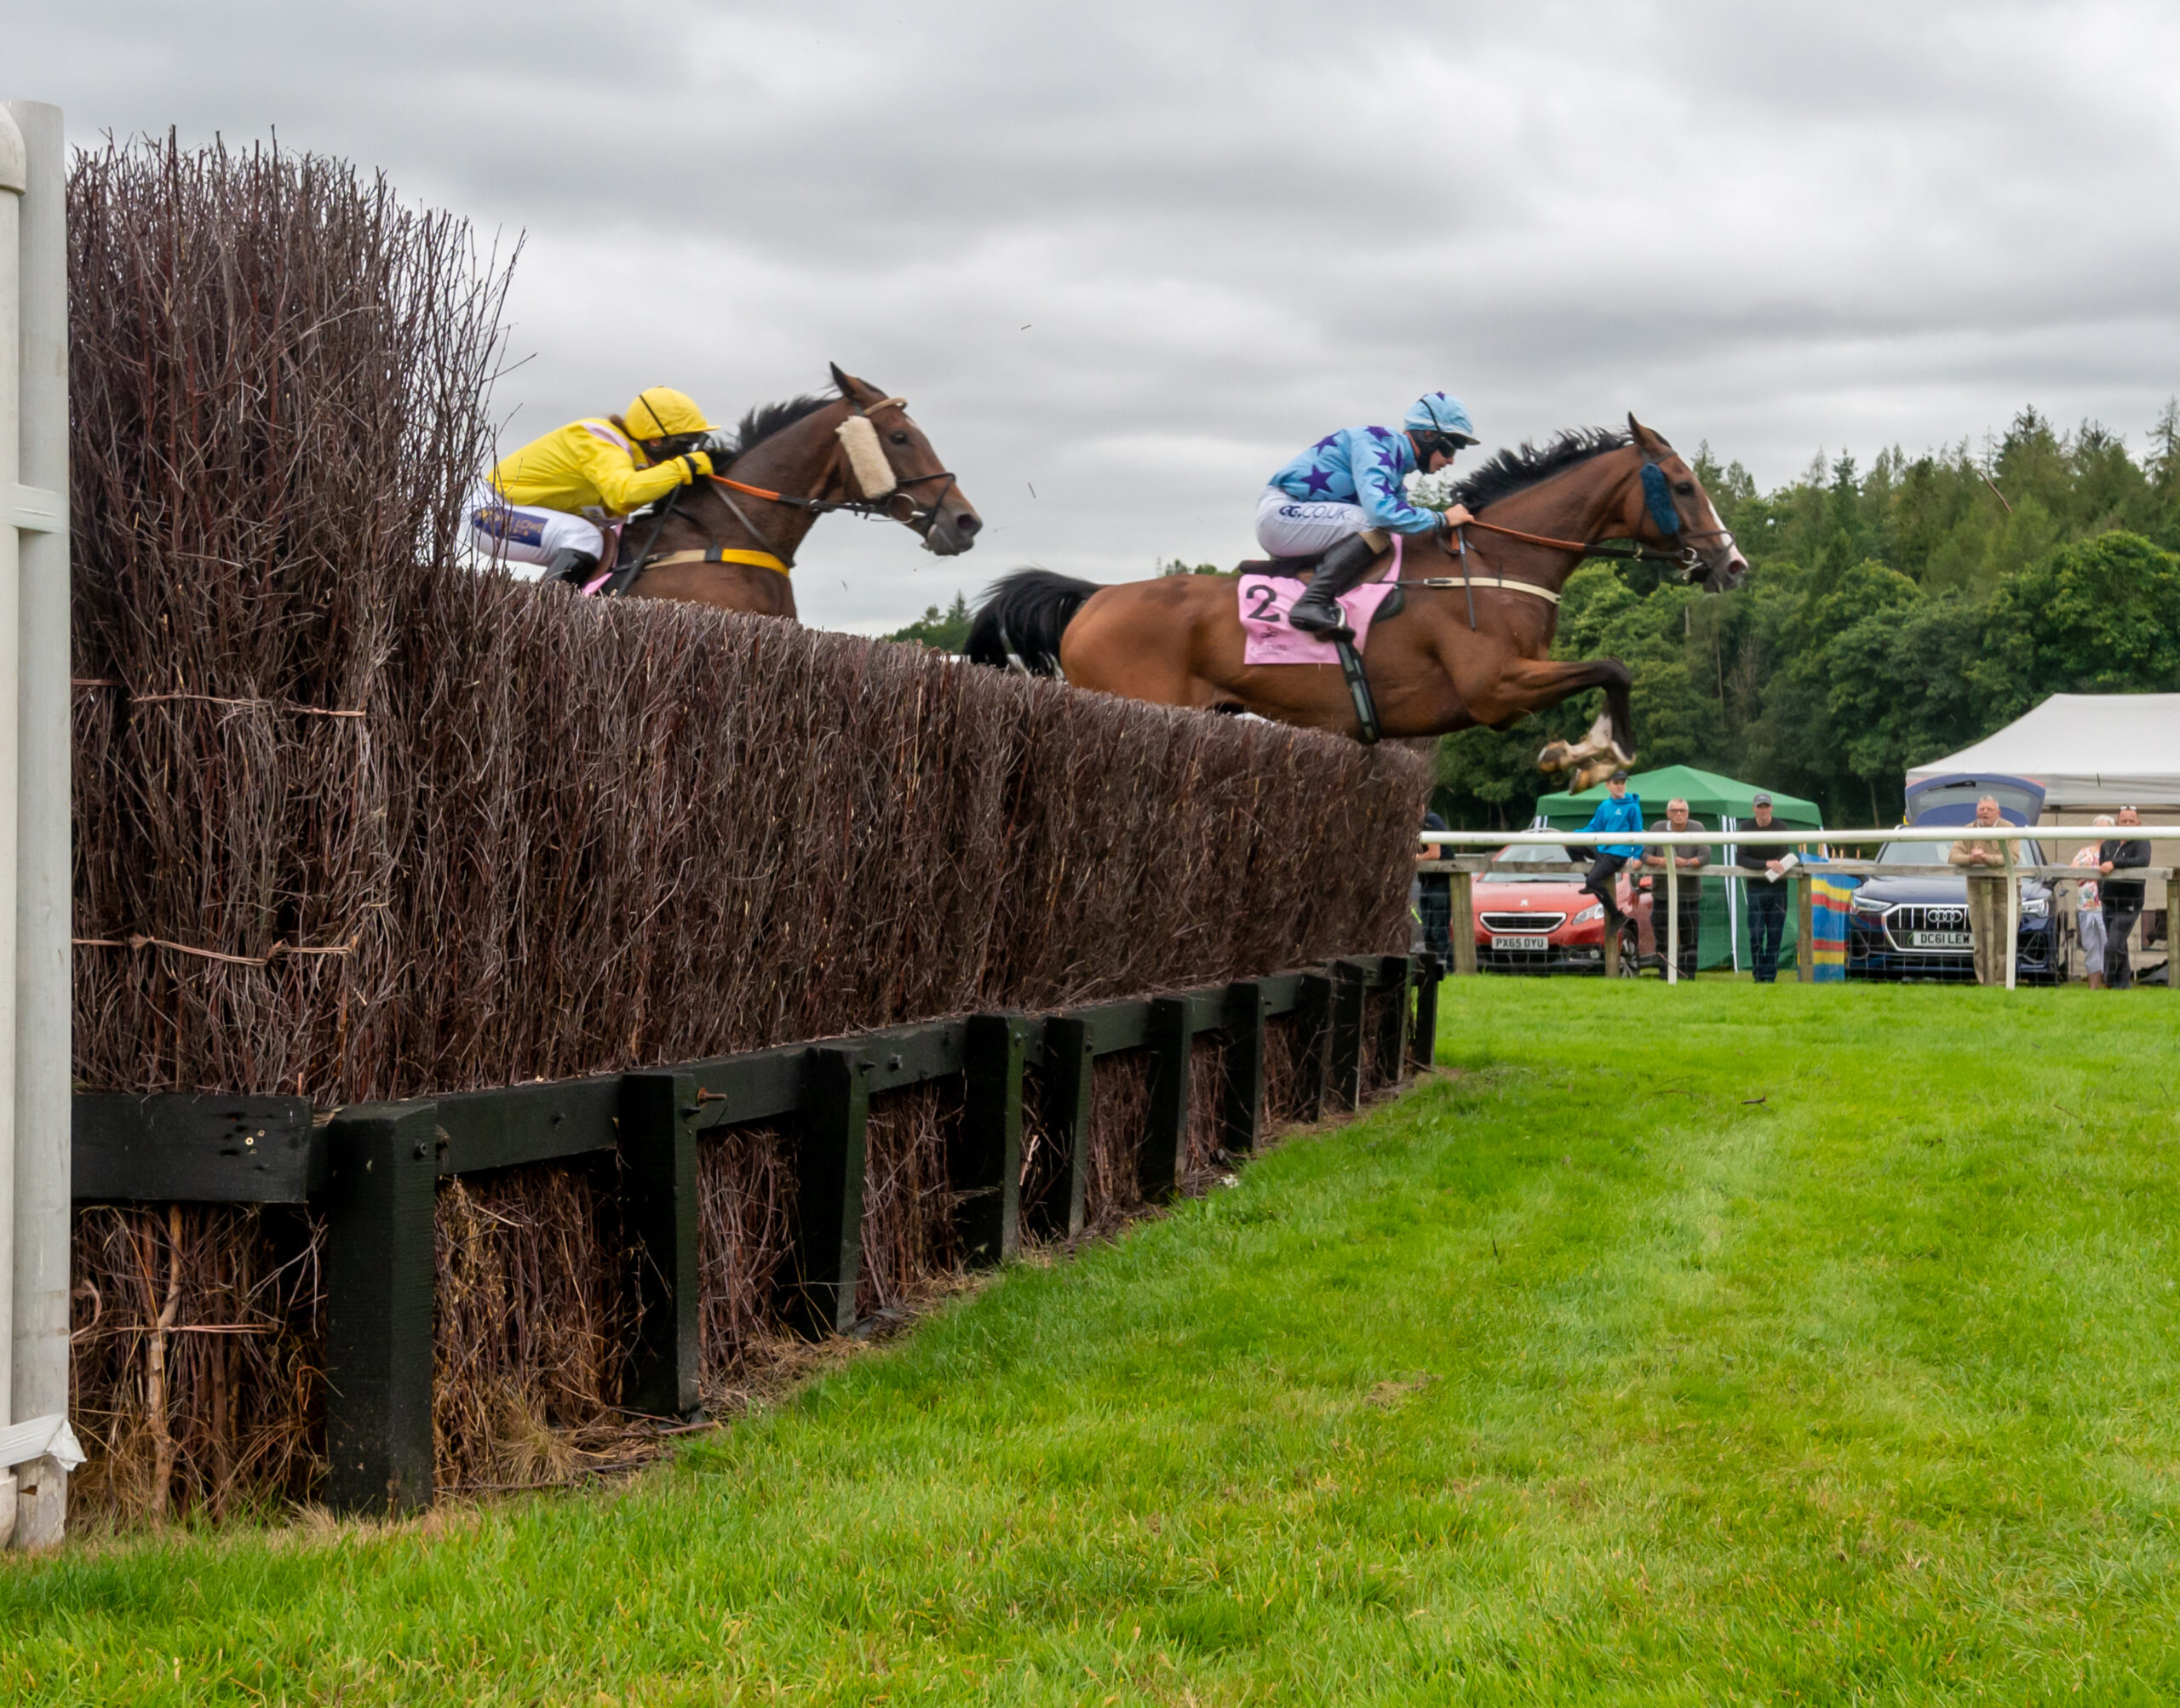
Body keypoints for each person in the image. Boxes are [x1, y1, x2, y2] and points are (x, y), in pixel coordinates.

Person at [1259, 392, 1480, 638]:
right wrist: (1442, 518)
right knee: (1374, 524)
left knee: (1389, 529)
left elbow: (1401, 519)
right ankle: (1312, 602)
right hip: (1281, 515)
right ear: (1428, 435)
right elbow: (1383, 514)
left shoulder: (1394, 465)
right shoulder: (1376, 444)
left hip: (1298, 520)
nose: (1451, 460)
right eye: (1452, 446)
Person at [469, 387, 722, 584]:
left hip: (509, 514)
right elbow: (623, 494)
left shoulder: (632, 461)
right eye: (685, 446)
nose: (687, 453)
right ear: (656, 441)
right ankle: (543, 620)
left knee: (612, 545)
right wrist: (682, 468)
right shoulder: (601, 442)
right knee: (584, 537)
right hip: (487, 515)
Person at [1948, 795, 2019, 986]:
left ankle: (2003, 983)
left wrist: (1986, 858)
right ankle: (1984, 983)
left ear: (1998, 813)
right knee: (1980, 943)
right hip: (1977, 895)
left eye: (1989, 809)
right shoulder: (1968, 831)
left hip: (2005, 895)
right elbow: (1953, 856)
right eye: (1981, 809)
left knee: (2003, 943)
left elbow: (2012, 858)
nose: (1984, 813)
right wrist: (1971, 858)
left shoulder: (2010, 829)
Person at [1643, 797, 1712, 978]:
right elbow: (1644, 854)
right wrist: (1661, 861)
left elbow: (1705, 855)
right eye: (1675, 810)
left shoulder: (1697, 828)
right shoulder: (1657, 828)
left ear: (1688, 813)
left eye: (1683, 810)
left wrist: (1687, 863)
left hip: (1689, 896)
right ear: (1668, 813)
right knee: (1662, 940)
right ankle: (1665, 976)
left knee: (1690, 941)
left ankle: (1688, 977)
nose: (1679, 814)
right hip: (1662, 895)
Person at [1577, 770, 1644, 936]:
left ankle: (1616, 914)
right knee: (1572, 846)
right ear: (1608, 785)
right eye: (1617, 783)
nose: (1620, 786)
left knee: (1594, 880)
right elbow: (1594, 828)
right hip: (1603, 849)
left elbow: (1638, 832)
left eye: (1623, 782)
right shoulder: (1605, 805)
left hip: (1618, 854)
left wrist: (1637, 856)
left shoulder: (1632, 807)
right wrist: (1575, 835)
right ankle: (1591, 883)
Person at [1735, 792, 1791, 983]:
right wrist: (1766, 863)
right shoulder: (1746, 827)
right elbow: (1741, 858)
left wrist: (1772, 864)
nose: (1763, 810)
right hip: (1755, 889)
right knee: (1756, 934)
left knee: (1775, 935)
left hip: (1778, 888)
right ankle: (1758, 977)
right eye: (1759, 807)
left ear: (1771, 808)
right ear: (1754, 809)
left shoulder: (1782, 827)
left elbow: (1785, 857)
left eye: (1766, 806)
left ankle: (1770, 977)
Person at [2098, 805, 2151, 989]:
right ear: (2117, 822)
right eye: (2124, 821)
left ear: (2138, 823)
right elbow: (2101, 871)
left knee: (2113, 944)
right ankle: (2122, 987)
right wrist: (2101, 895)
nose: (2127, 824)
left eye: (2131, 821)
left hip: (2129, 902)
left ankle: (2108, 981)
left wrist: (2115, 863)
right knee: (2120, 944)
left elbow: (2141, 861)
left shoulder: (2142, 842)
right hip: (2108, 902)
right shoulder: (2108, 844)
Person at [2070, 815, 2114, 989]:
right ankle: (2093, 987)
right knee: (2090, 947)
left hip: (2107, 907)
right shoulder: (2084, 851)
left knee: (2108, 945)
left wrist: (2086, 874)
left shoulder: (2114, 852)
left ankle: (2110, 983)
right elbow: (2073, 872)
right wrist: (2096, 872)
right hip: (2085, 907)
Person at [1414, 811, 1454, 961]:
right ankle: (1433, 966)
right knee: (1428, 931)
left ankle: (1445, 966)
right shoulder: (1418, 823)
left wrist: (1417, 858)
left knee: (1439, 930)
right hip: (1427, 881)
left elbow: (1434, 853)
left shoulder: (1430, 821)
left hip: (1440, 881)